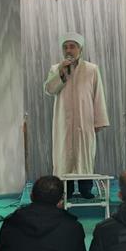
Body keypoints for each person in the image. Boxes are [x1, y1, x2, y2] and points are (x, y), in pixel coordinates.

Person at [44, 32, 109, 199]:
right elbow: (50, 90)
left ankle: (85, 189)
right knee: (64, 155)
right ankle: (67, 191)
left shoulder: (91, 69)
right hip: (63, 122)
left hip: (84, 120)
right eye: (65, 47)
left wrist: (99, 121)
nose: (68, 50)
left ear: (80, 49)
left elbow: (98, 95)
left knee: (84, 155)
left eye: (72, 46)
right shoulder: (56, 69)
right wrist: (61, 73)